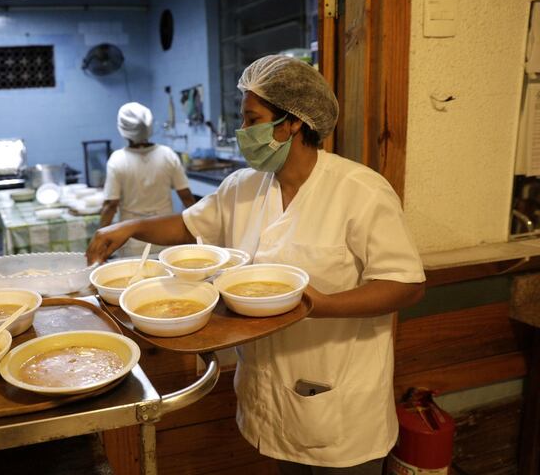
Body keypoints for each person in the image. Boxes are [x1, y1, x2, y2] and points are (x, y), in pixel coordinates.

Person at [87, 56, 426, 473]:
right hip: (265, 388)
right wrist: (130, 226)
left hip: (339, 398)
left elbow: (406, 284)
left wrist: (320, 304)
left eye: (252, 119)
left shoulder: (361, 192)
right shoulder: (243, 187)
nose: (242, 132)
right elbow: (190, 226)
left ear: (293, 123)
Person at [99, 101, 196, 256]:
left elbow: (111, 205)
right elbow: (186, 197)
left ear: (123, 129)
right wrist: (197, 232)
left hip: (132, 238)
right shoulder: (167, 154)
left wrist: (101, 237)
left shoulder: (117, 160)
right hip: (165, 235)